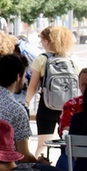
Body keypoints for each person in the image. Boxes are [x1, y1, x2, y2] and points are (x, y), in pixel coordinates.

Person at [25, 25, 77, 158]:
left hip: (47, 106)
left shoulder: (42, 59)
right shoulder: (73, 59)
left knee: (42, 146)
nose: (41, 43)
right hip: (68, 108)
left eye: (42, 40)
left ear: (48, 41)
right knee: (68, 146)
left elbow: (33, 86)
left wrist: (26, 102)